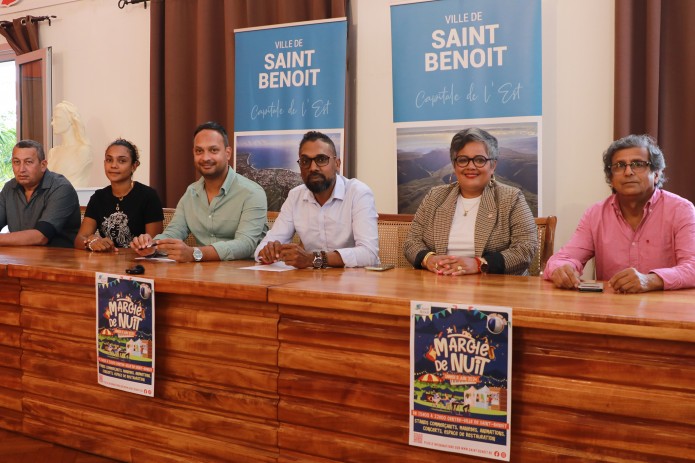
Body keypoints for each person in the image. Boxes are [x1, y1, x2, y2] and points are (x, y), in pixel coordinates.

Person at [544, 134, 695, 293]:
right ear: (610, 178)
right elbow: (561, 260)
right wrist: (561, 270)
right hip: (612, 308)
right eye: (619, 165)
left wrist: (651, 280)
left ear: (656, 174)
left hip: (666, 310)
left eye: (638, 164)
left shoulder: (681, 210)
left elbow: (693, 267)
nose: (628, 172)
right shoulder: (595, 214)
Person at [403, 127, 537, 275]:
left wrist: (479, 264)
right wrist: (429, 259)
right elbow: (411, 242)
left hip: (494, 289)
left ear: (492, 166)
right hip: (439, 286)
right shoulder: (435, 196)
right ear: (454, 166)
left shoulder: (512, 198)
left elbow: (526, 248)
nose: (471, 166)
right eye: (463, 160)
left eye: (480, 160)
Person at [131, 121, 267, 262]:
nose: (205, 158)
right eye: (199, 151)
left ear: (228, 153)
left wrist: (195, 253)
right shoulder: (191, 192)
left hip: (245, 275)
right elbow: (174, 232)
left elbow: (246, 244)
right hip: (202, 274)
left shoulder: (252, 193)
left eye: (213, 150)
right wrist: (152, 245)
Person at [254, 131, 379, 269]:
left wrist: (313, 259)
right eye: (305, 161)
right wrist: (267, 252)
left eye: (321, 159)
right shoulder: (295, 196)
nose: (313, 168)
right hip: (310, 281)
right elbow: (262, 249)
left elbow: (369, 254)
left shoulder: (358, 193)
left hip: (354, 282)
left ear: (337, 164)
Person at [74, 139, 164, 252]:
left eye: (122, 161)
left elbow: (154, 244)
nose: (113, 165)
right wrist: (91, 243)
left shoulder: (148, 196)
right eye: (109, 160)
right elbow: (79, 239)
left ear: (134, 166)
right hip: (106, 264)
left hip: (139, 264)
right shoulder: (98, 198)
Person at [0, 139, 81, 247]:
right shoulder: (9, 187)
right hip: (20, 258)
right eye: (16, 162)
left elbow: (41, 236)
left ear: (43, 165)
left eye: (28, 162)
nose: (21, 169)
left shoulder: (61, 188)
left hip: (58, 260)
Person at [47, 101, 92, 187]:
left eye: (57, 118)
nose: (52, 123)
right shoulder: (53, 152)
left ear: (70, 120)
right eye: (53, 119)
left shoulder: (83, 151)